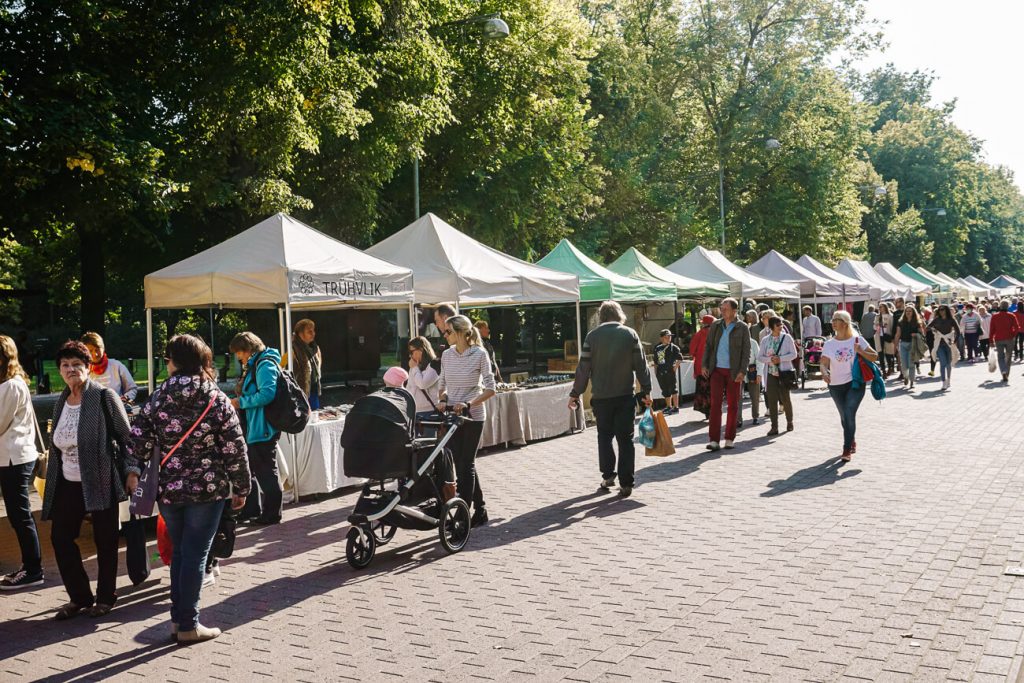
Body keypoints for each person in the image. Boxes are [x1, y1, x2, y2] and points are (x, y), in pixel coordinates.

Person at [130, 335, 250, 643]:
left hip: (169, 489)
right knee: (196, 554)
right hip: (207, 490)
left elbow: (138, 437)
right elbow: (234, 446)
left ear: (173, 361)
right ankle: (188, 624)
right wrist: (242, 486)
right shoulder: (215, 397)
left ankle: (177, 619)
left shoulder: (157, 396)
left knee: (181, 552)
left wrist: (133, 470)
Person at [41, 341, 138, 619]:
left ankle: (106, 597)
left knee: (105, 540)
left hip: (100, 477)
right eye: (65, 365)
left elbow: (127, 437)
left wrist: (132, 471)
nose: (71, 370)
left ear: (88, 368)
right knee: (60, 538)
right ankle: (80, 596)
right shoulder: (62, 400)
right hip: (68, 481)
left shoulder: (104, 396)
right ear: (59, 370)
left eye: (77, 365)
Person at [569, 301, 651, 497]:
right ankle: (627, 482)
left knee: (604, 436)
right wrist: (646, 390)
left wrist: (575, 393)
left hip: (602, 397)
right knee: (626, 439)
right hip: (625, 395)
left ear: (601, 316)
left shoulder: (592, 337)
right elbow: (641, 364)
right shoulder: (630, 334)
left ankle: (608, 475)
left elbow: (584, 368)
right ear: (619, 314)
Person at [437, 315, 496, 523]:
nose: (444, 335)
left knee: (465, 465)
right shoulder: (446, 355)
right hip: (453, 415)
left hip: (473, 416)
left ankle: (463, 516)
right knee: (463, 464)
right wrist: (443, 398)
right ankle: (480, 511)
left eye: (448, 331)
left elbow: (491, 388)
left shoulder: (479, 354)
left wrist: (470, 404)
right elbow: (442, 384)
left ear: (461, 332)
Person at [0, 335, 44, 590]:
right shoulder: (10, 384)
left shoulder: (11, 387)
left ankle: (33, 569)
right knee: (18, 515)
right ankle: (29, 566)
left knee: (20, 515)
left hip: (14, 458)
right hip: (10, 457)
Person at [229, 332, 283, 525]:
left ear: (248, 349)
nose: (238, 357)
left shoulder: (265, 364)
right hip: (253, 426)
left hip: (263, 427)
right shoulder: (256, 364)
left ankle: (272, 513)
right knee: (251, 468)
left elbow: (267, 394)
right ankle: (252, 509)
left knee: (266, 470)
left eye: (239, 352)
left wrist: (240, 402)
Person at [821, 311, 878, 462]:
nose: (832, 322)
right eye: (832, 320)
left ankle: (846, 449)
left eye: (836, 320)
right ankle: (851, 439)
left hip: (855, 383)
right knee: (844, 418)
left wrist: (860, 351)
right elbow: (824, 362)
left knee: (848, 413)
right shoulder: (829, 344)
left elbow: (874, 356)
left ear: (845, 323)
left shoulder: (857, 340)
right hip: (835, 385)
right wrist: (824, 372)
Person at [701, 298, 750, 451]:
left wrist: (743, 370)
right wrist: (704, 364)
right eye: (721, 308)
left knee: (733, 405)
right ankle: (714, 440)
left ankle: (729, 438)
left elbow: (746, 351)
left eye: (726, 309)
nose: (722, 311)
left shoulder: (742, 327)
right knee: (715, 405)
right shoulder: (716, 325)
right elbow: (709, 346)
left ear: (734, 311)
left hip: (734, 371)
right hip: (716, 370)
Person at [757, 317, 798, 436]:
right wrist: (770, 359)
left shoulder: (787, 338)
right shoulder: (765, 340)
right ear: (771, 327)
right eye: (778, 324)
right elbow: (760, 357)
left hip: (784, 373)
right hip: (770, 373)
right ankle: (774, 426)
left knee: (785, 398)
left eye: (781, 324)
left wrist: (780, 359)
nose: (781, 326)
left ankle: (789, 421)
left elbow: (794, 354)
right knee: (772, 400)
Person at [80, 332, 138, 402]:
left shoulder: (116, 366)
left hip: (116, 409)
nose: (95, 354)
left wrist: (124, 400)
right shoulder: (83, 371)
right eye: (90, 350)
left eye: (97, 349)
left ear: (103, 348)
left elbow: (132, 389)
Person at [927, 304, 962, 391]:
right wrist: (933, 330)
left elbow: (958, 331)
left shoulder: (951, 320)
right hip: (939, 344)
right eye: (940, 310)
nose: (941, 311)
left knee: (948, 364)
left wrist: (954, 341)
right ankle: (943, 382)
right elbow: (928, 327)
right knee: (943, 363)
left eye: (943, 309)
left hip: (949, 344)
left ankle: (949, 380)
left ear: (946, 310)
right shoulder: (936, 320)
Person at [290, 319, 322, 409]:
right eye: (309, 331)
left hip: (313, 390)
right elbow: (283, 366)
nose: (313, 333)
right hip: (300, 393)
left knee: (315, 416)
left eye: (313, 330)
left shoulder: (315, 348)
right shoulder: (291, 348)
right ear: (300, 334)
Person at [892, 304, 924, 390]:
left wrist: (916, 334)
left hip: (913, 345)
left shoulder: (917, 322)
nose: (908, 313)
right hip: (903, 344)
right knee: (904, 365)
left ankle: (912, 382)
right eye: (907, 311)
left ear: (913, 312)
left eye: (910, 311)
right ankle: (906, 377)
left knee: (911, 364)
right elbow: (897, 334)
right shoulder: (901, 322)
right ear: (904, 312)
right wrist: (894, 347)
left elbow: (922, 334)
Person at [689, 315, 714, 420]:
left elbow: (691, 351)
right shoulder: (716, 334)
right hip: (714, 367)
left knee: (703, 390)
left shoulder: (698, 334)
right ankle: (713, 410)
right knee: (713, 390)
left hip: (700, 367)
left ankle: (706, 411)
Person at [739, 311, 761, 427]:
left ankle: (755, 416)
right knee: (738, 397)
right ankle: (738, 419)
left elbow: (759, 358)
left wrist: (759, 373)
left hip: (752, 369)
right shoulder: (735, 343)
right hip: (739, 371)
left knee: (755, 395)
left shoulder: (753, 343)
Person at [653, 329, 683, 415]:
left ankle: (676, 407)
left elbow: (680, 358)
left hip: (670, 371)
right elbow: (656, 361)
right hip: (661, 372)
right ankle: (669, 406)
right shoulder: (657, 348)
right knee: (665, 389)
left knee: (673, 388)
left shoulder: (673, 347)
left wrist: (675, 368)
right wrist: (656, 372)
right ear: (661, 338)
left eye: (669, 337)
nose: (668, 339)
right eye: (666, 337)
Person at [989, 300, 1019, 382]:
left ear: (1000, 306)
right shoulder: (1011, 315)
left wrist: (991, 340)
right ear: (1008, 306)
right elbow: (1017, 328)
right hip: (1009, 339)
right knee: (1008, 357)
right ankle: (1006, 373)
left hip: (998, 339)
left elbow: (992, 330)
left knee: (1000, 357)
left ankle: (1003, 371)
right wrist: (1012, 335)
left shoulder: (994, 316)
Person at [875, 303, 896, 377]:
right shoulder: (877, 316)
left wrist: (893, 336)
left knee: (888, 354)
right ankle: (883, 371)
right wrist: (877, 326)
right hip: (879, 336)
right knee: (880, 354)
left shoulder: (890, 316)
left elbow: (893, 326)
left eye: (882, 307)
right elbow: (874, 326)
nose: (880, 308)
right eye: (879, 307)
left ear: (885, 307)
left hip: (888, 335)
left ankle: (890, 368)